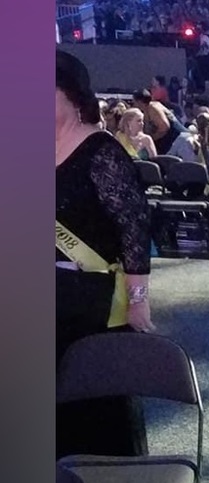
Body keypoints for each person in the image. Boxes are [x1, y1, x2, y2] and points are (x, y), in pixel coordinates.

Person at [56, 49, 154, 459]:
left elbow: (134, 229)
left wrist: (138, 301)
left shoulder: (102, 152)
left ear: (73, 96)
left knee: (100, 408)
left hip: (94, 302)